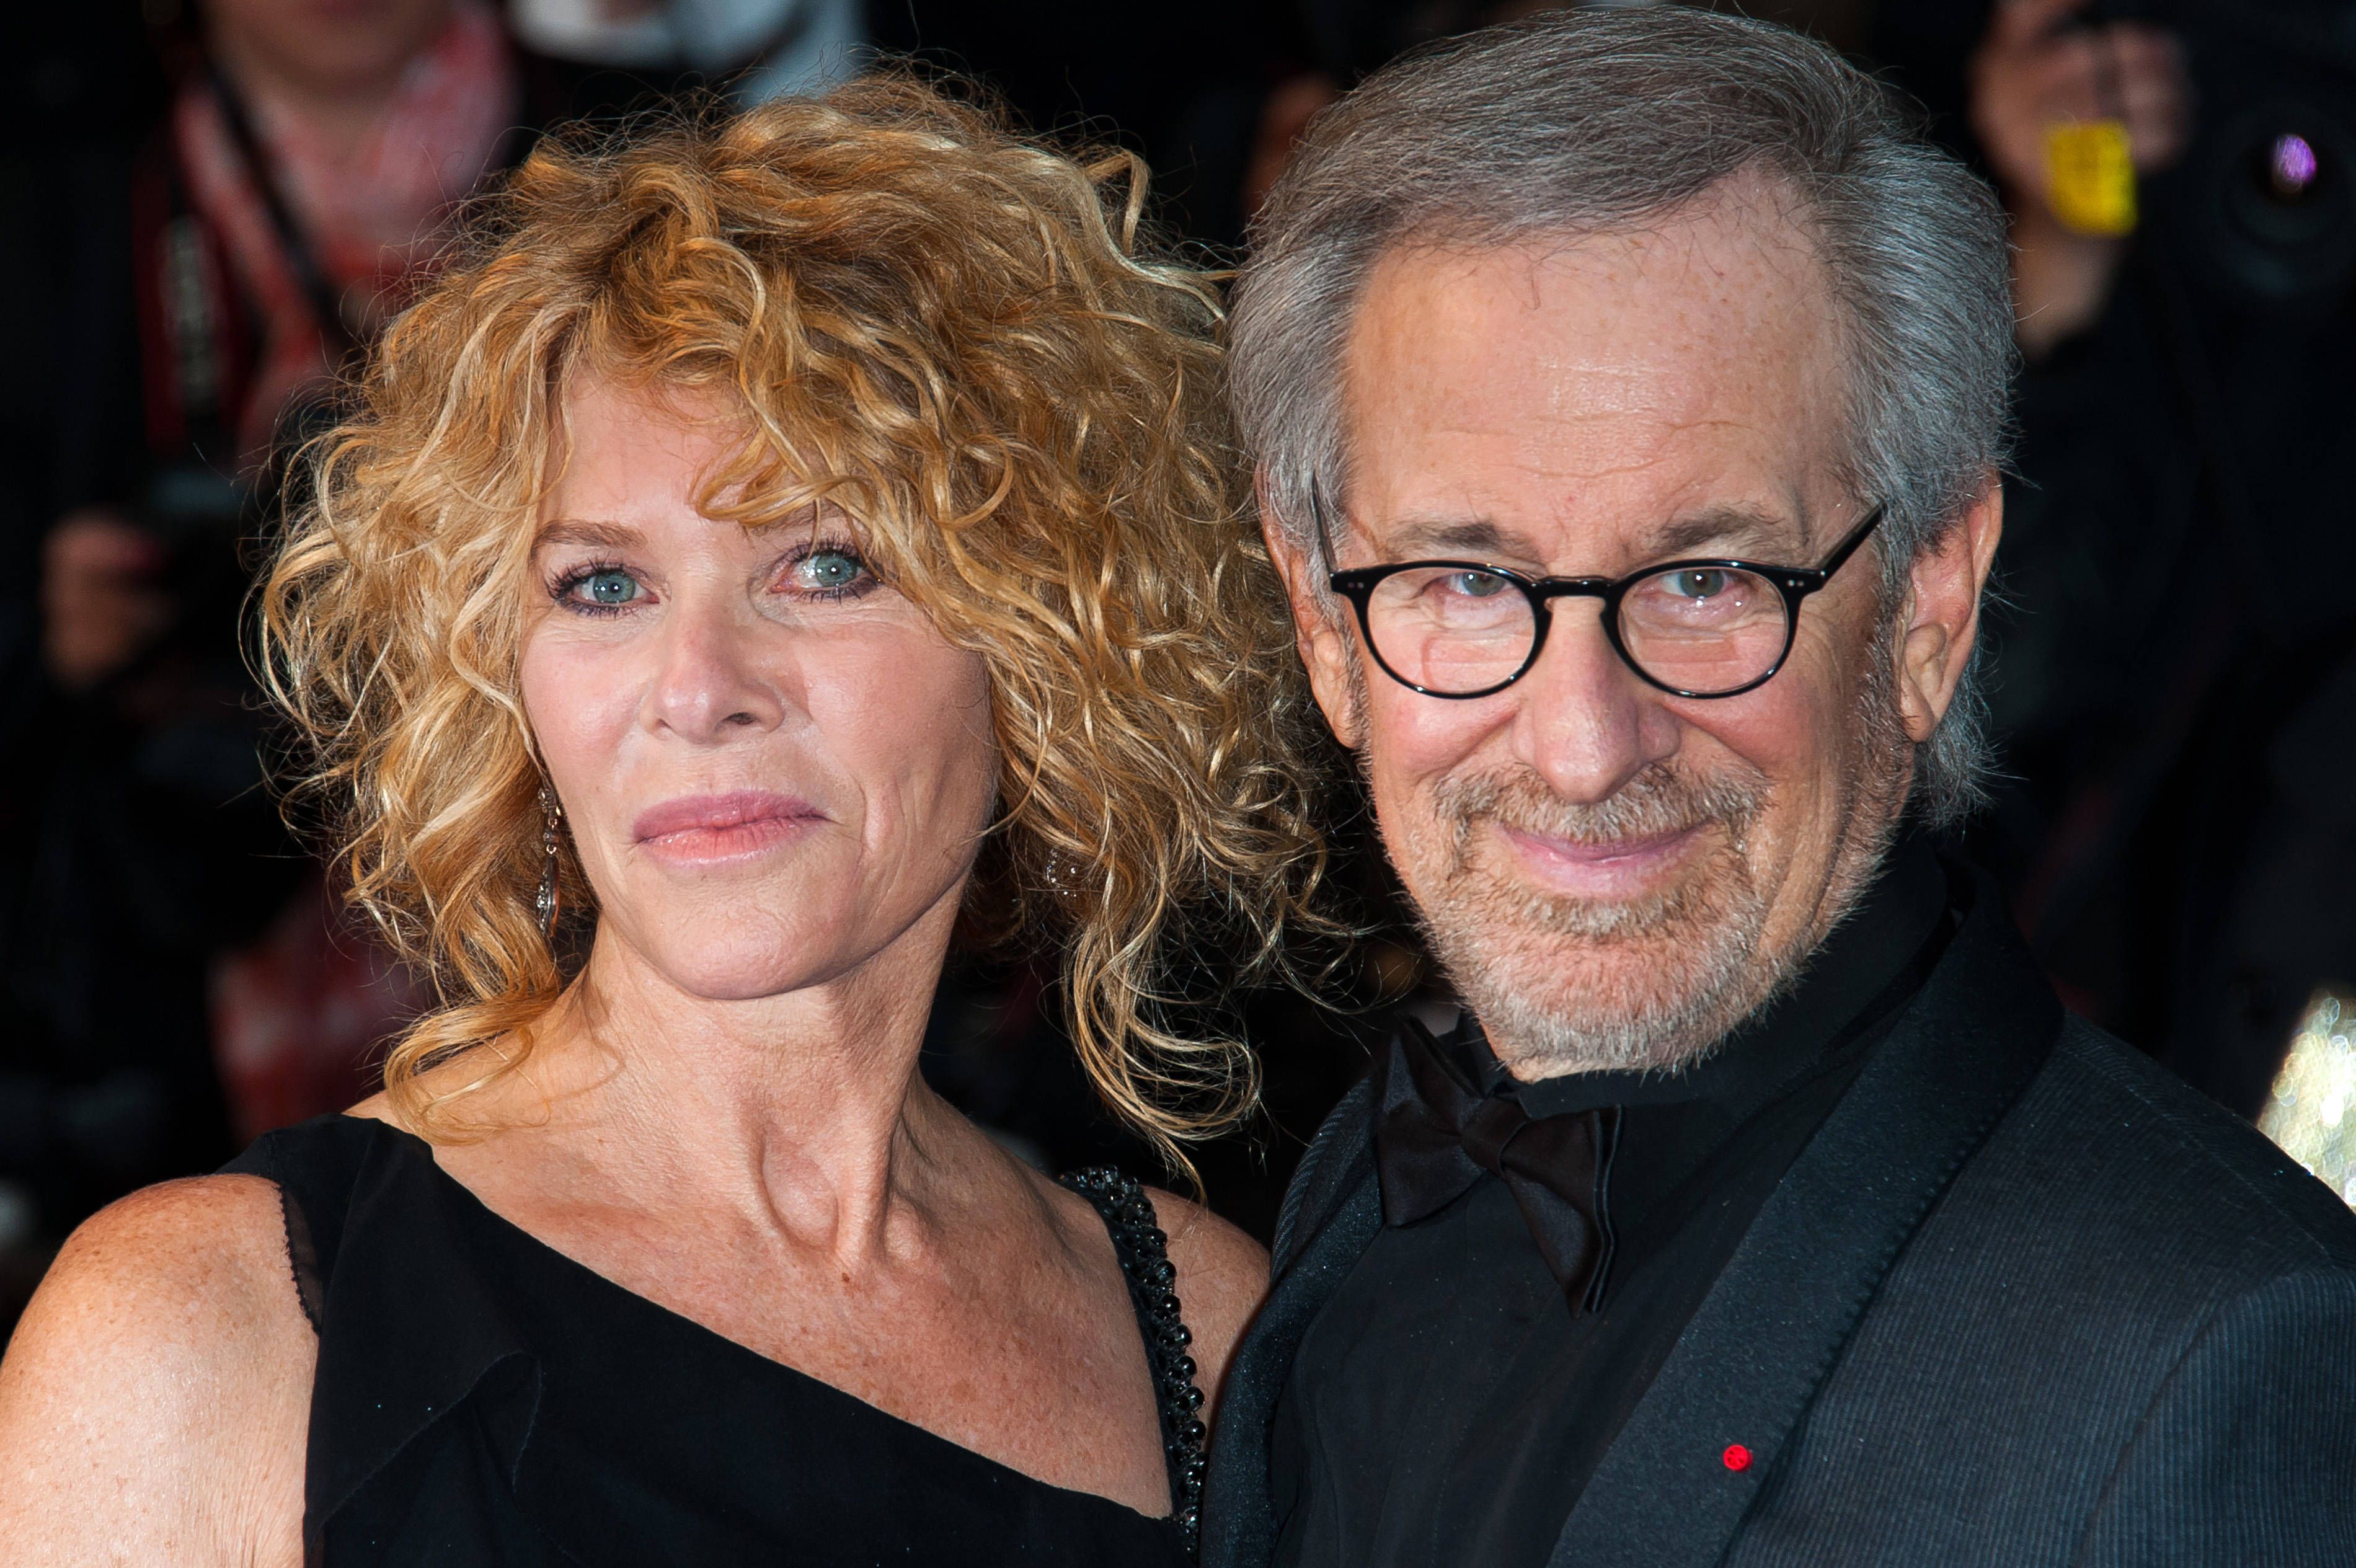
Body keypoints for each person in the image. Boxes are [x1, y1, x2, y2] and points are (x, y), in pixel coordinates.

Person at [0, 78, 1329, 1564]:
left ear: (1051, 638)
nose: (696, 690)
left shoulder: (1207, 1333)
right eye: (603, 586)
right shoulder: (202, 1331)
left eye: (824, 565)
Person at [1201, 11, 2356, 1567]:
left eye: (1706, 578)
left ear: (1928, 604)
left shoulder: (2216, 1361)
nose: (1582, 744)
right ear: (1321, 621)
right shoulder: (1354, 1185)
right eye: (1466, 579)